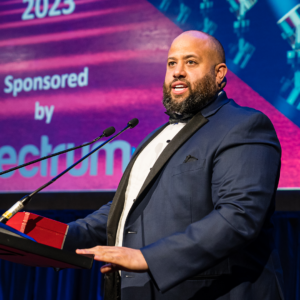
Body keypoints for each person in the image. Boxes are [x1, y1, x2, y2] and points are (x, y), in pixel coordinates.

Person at [64, 31, 285, 300]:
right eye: (171, 63)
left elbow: (239, 216)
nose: (178, 72)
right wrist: (58, 236)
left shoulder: (244, 125)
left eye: (190, 62)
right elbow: (125, 211)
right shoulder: (155, 137)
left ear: (219, 73)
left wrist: (150, 258)